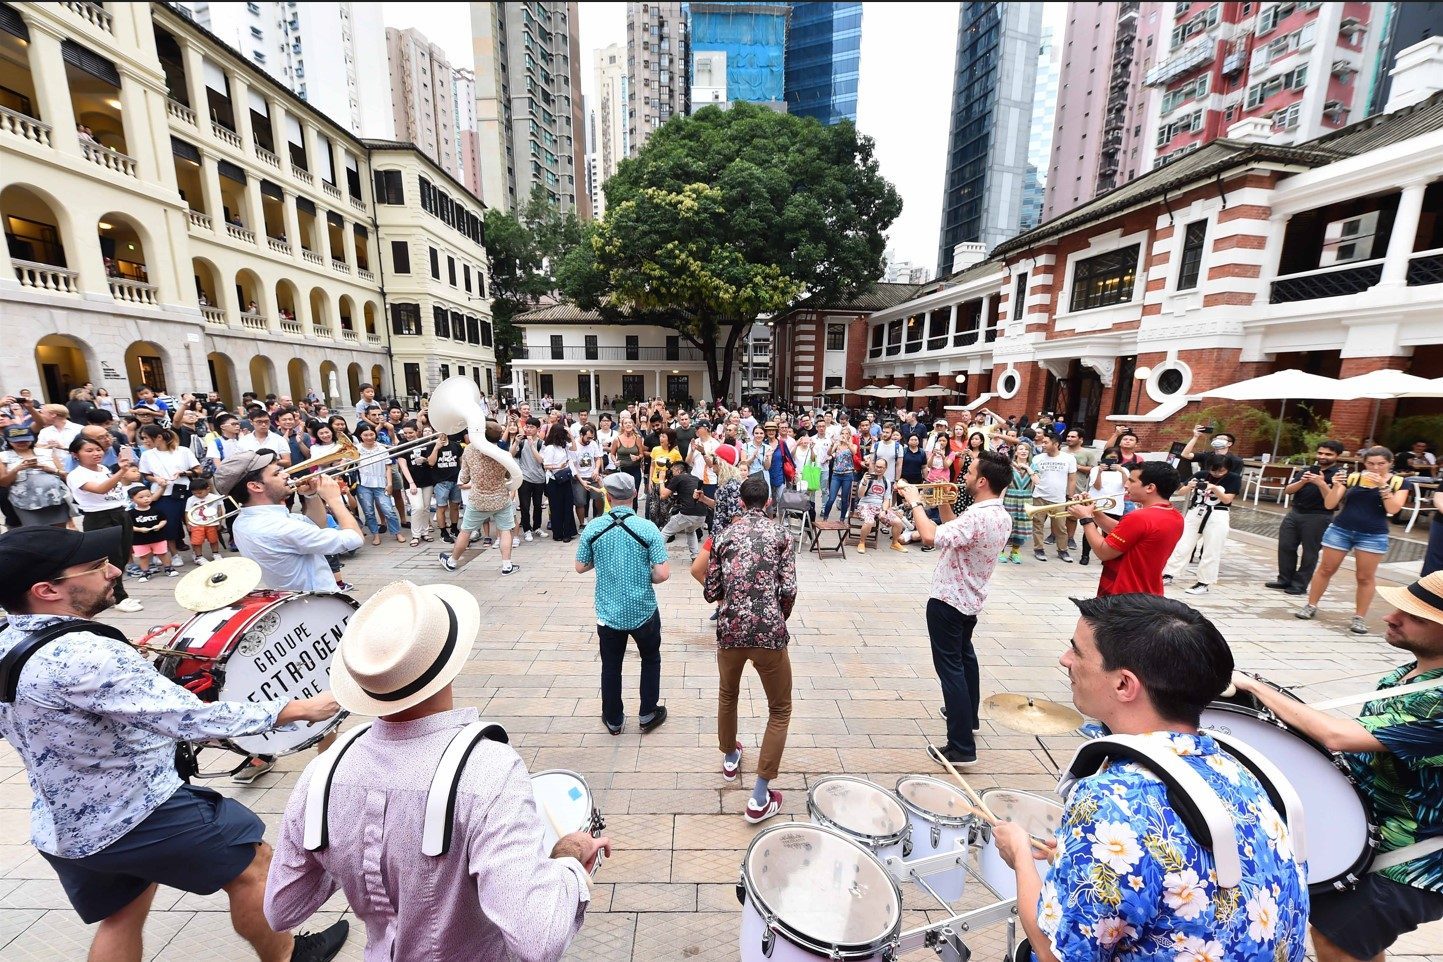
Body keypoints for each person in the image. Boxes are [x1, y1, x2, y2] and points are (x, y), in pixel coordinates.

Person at [0, 526, 348, 962]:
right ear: (47, 589)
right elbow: (192, 719)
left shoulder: (7, 640)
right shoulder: (85, 655)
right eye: (94, 567)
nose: (112, 570)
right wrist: (292, 709)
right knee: (255, 866)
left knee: (122, 914)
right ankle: (290, 957)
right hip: (140, 813)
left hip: (61, 826)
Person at [264, 581, 606, 961]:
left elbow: (281, 909)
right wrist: (569, 861)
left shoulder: (322, 773)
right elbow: (538, 940)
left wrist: (348, 851)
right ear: (450, 663)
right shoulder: (488, 771)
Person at [993, 593, 1308, 962]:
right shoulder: (1240, 771)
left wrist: (1019, 853)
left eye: (1076, 651)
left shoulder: (1110, 799)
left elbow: (1055, 954)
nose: (1065, 660)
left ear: (1125, 685)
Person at [1231, 570, 1443, 962]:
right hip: (1378, 835)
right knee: (1354, 939)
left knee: (1334, 937)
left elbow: (1339, 736)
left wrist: (1257, 687)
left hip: (1419, 860)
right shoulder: (1414, 673)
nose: (1390, 617)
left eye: (1414, 616)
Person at [895, 451, 1014, 766]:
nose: (965, 477)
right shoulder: (999, 515)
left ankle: (960, 746)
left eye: (971, 472)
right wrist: (943, 502)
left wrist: (915, 500)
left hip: (948, 600)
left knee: (951, 671)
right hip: (970, 599)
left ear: (984, 480)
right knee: (965, 659)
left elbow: (932, 536)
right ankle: (968, 717)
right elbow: (955, 534)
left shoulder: (977, 515)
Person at [691, 476, 796, 824]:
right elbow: (789, 589)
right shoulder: (781, 535)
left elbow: (710, 590)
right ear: (767, 502)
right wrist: (777, 616)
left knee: (727, 694)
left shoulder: (723, 536)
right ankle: (760, 796)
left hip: (730, 630)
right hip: (769, 632)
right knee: (779, 709)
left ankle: (730, 757)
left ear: (740, 501)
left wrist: (732, 601)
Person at [575, 473, 670, 736]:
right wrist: (643, 575)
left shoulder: (594, 528)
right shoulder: (648, 528)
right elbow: (662, 574)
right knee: (650, 658)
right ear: (634, 495)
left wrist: (605, 562)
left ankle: (614, 719)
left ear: (607, 495)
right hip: (643, 609)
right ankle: (648, 713)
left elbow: (580, 566)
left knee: (611, 664)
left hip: (608, 611)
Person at [1300, 446, 1410, 634]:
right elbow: (1330, 504)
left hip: (1373, 534)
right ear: (1364, 463)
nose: (1375, 468)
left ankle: (1359, 617)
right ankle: (1311, 605)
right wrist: (1334, 485)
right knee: (1325, 569)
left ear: (1390, 463)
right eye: (1371, 464)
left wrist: (1383, 486)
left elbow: (1393, 509)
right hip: (1341, 529)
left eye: (1381, 464)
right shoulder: (1353, 478)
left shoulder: (1399, 482)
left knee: (1365, 577)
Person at [222, 451, 365, 594]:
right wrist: (335, 500)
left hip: (298, 600)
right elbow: (355, 539)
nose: (286, 475)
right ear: (256, 486)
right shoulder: (279, 527)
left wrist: (311, 495)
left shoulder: (243, 521)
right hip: (320, 601)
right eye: (277, 474)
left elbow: (316, 525)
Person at [1070, 461, 1184, 597]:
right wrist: (1094, 512)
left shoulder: (1139, 517)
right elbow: (1126, 533)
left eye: (1131, 481)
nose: (1126, 485)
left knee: (1086, 619)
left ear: (1150, 488)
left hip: (1122, 593)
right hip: (1149, 592)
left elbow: (1103, 552)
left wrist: (1086, 519)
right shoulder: (1175, 516)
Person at [65, 435, 144, 612]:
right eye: (89, 450)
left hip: (120, 512)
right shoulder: (76, 475)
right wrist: (121, 471)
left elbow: (116, 487)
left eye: (98, 449)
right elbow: (101, 489)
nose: (95, 453)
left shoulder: (103, 468)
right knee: (111, 558)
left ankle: (116, 593)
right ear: (75, 454)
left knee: (123, 555)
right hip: (99, 517)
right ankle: (119, 598)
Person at [439, 422, 519, 576]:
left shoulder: (470, 451)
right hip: (500, 498)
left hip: (478, 499)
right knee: (505, 530)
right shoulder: (504, 454)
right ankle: (507, 565)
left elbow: (463, 478)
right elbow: (509, 476)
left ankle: (452, 561)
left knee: (466, 531)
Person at [1267, 440, 1345, 595]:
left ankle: (1299, 584)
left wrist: (1321, 483)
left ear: (1337, 456)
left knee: (1310, 552)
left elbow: (1333, 503)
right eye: (1320, 453)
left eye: (1328, 454)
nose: (1323, 456)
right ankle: (1284, 579)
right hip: (1295, 512)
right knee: (1286, 546)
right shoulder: (1306, 471)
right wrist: (1303, 481)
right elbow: (1288, 490)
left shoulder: (1339, 476)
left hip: (1319, 516)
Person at [1162, 453, 1241, 595]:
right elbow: (1180, 492)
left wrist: (1214, 488)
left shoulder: (1233, 478)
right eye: (1213, 470)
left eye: (1221, 471)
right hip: (1196, 512)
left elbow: (1227, 500)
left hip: (1217, 514)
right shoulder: (1201, 474)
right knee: (1183, 544)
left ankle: (1204, 582)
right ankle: (1168, 574)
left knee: (1212, 548)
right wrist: (1190, 486)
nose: (1217, 474)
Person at [0, 424, 69, 528]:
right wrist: (18, 469)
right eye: (17, 441)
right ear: (8, 441)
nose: (22, 443)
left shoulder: (47, 452)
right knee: (34, 532)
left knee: (59, 530)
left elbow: (65, 475)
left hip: (55, 499)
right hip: (25, 502)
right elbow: (3, 482)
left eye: (25, 440)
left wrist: (50, 469)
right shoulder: (3, 457)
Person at [1030, 434, 1078, 563]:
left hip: (1059, 497)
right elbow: (1033, 476)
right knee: (1038, 524)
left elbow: (1072, 479)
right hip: (1039, 496)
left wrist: (1071, 497)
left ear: (1056, 444)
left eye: (1046, 442)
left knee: (1060, 526)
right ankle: (1038, 548)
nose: (1043, 445)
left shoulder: (1069, 458)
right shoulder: (1037, 458)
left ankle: (1063, 550)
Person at [1077, 447, 1128, 567]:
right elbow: (1097, 486)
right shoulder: (1095, 469)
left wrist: (1122, 471)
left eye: (1114, 458)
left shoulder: (1124, 470)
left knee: (1110, 532)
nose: (1112, 461)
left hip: (1115, 506)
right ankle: (1085, 555)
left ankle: (1107, 556)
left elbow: (1126, 486)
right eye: (1109, 458)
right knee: (1089, 529)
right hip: (1096, 504)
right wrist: (1100, 472)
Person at [659, 458, 711, 560]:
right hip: (702, 515)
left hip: (688, 513)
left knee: (665, 532)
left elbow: (663, 495)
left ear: (678, 471)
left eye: (673, 471)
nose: (671, 473)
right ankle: (695, 555)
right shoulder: (695, 478)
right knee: (690, 531)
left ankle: (655, 556)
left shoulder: (678, 478)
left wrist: (661, 480)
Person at [853, 456, 908, 554]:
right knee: (869, 522)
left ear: (885, 469)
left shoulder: (886, 482)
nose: (878, 469)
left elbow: (887, 499)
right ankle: (862, 542)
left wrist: (884, 510)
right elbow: (860, 495)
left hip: (879, 507)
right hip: (865, 505)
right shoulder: (868, 478)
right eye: (877, 467)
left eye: (881, 467)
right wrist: (865, 482)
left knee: (897, 522)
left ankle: (895, 543)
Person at [126, 485, 176, 580]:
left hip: (158, 538)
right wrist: (140, 529)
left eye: (148, 496)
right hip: (140, 540)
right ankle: (145, 572)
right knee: (143, 557)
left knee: (163, 553)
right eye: (141, 497)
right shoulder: (130, 513)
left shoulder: (156, 509)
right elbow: (129, 526)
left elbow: (163, 519)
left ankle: (168, 568)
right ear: (132, 499)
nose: (146, 499)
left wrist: (159, 526)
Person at [542, 423, 578, 543]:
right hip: (554, 480)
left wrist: (571, 435)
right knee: (556, 507)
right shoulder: (550, 448)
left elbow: (574, 448)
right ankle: (558, 533)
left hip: (565, 479)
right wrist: (559, 466)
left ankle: (568, 532)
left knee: (568, 506)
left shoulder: (564, 446)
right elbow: (546, 465)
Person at [185, 476, 225, 563]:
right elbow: (188, 512)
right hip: (197, 523)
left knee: (214, 539)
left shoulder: (215, 497)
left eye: (199, 493)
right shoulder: (191, 499)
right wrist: (188, 523)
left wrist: (220, 522)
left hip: (212, 522)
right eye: (194, 493)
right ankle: (198, 556)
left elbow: (219, 510)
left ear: (208, 489)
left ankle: (216, 554)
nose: (197, 495)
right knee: (197, 541)